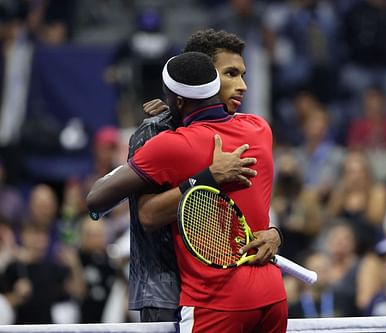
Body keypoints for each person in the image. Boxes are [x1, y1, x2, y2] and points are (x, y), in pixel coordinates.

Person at [87, 29, 282, 322]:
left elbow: (250, 213)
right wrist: (207, 175)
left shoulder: (252, 128)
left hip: (216, 292)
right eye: (230, 74)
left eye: (242, 75)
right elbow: (144, 215)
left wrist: (275, 233)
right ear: (205, 77)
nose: (242, 86)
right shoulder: (155, 132)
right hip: (165, 290)